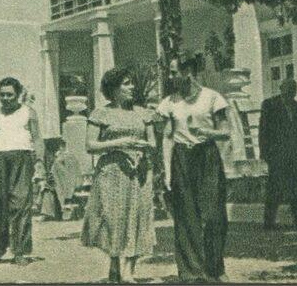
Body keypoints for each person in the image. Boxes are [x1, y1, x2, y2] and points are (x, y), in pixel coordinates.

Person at [157, 55, 231, 283]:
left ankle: (214, 268)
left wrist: (206, 133)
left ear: (187, 72)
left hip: (207, 157)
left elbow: (225, 132)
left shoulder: (212, 98)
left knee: (214, 215)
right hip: (181, 158)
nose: (170, 77)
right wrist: (167, 170)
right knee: (186, 218)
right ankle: (191, 273)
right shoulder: (169, 102)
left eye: (173, 72)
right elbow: (167, 138)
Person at [81, 68, 157, 284]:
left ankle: (129, 270)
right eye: (126, 83)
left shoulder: (143, 113)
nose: (132, 87)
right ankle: (114, 265)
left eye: (132, 83)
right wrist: (119, 143)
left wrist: (143, 147)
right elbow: (90, 145)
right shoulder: (100, 114)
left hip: (138, 171)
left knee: (138, 216)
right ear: (113, 88)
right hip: (111, 172)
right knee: (113, 218)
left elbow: (153, 143)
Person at [0, 76, 45, 265]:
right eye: (2, 95)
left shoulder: (29, 112)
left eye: (9, 95)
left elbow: (37, 139)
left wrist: (39, 162)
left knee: (20, 204)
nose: (5, 98)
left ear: (18, 94)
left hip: (22, 159)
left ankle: (19, 250)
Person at [258, 78, 297, 230]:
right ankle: (269, 223)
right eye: (288, 90)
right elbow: (263, 131)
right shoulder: (269, 105)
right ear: (281, 89)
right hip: (276, 155)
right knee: (274, 189)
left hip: (295, 156)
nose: (291, 93)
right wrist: (265, 154)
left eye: (293, 90)